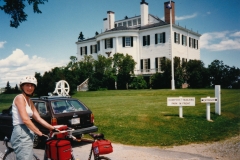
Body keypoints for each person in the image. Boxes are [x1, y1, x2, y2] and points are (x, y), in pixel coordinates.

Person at [10, 76, 55, 160]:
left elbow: (38, 118)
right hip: (20, 132)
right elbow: (26, 120)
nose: (30, 88)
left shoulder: (29, 100)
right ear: (22, 86)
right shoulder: (20, 98)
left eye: (32, 85)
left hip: (28, 132)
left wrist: (52, 128)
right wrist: (39, 133)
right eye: (27, 85)